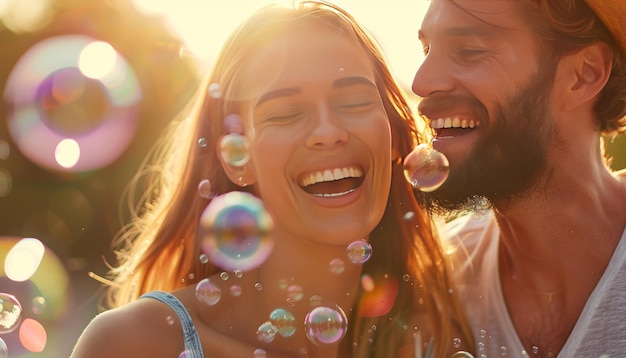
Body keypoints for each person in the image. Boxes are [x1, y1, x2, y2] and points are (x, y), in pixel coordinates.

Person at [71, 1, 476, 357]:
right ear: (237, 159)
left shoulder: (438, 337)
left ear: (393, 138)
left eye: (354, 101)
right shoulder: (136, 344)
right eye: (284, 113)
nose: (328, 131)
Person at [411, 0, 626, 357]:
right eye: (427, 49)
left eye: (468, 50)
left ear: (583, 74)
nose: (421, 83)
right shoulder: (437, 282)